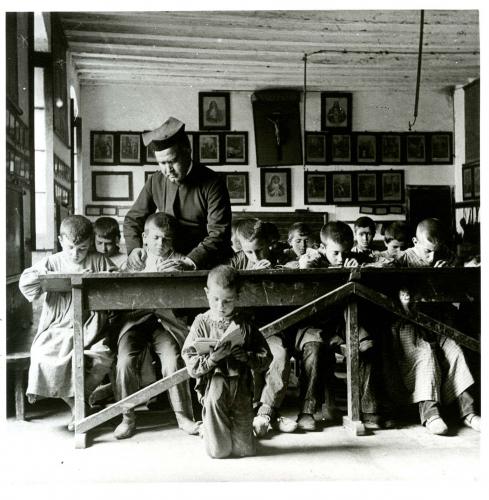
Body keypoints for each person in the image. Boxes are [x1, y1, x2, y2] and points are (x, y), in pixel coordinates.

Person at [18, 215, 116, 430]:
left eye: (82, 248)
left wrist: (105, 278)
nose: (76, 254)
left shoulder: (99, 260)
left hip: (92, 326)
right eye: (71, 247)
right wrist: (49, 275)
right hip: (58, 326)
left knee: (101, 355)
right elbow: (26, 285)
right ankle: (78, 408)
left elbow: (117, 287)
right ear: (61, 241)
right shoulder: (53, 261)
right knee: (42, 355)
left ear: (90, 242)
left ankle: (82, 403)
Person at [111, 213, 199, 439]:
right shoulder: (134, 260)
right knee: (124, 361)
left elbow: (188, 298)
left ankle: (183, 415)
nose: (161, 244)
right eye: (157, 238)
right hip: (134, 322)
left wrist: (181, 275)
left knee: (172, 360)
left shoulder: (180, 261)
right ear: (145, 238)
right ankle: (127, 416)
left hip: (165, 323)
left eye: (167, 239)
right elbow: (117, 295)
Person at [390, 218, 481, 434]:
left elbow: (461, 288)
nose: (432, 257)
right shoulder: (401, 259)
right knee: (425, 355)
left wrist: (448, 274)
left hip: (439, 320)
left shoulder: (446, 256)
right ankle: (430, 414)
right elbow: (387, 287)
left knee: (455, 351)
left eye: (436, 252)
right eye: (427, 251)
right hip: (409, 322)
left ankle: (468, 412)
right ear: (414, 241)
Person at [182, 265, 272, 458]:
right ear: (207, 293)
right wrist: (212, 359)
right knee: (219, 452)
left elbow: (266, 358)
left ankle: (246, 428)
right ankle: (209, 429)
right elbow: (190, 361)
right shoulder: (201, 323)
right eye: (215, 299)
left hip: (241, 386)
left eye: (228, 301)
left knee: (244, 451)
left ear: (238, 296)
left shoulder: (245, 324)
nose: (220, 306)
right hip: (214, 385)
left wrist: (247, 357)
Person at [124, 116, 232, 271]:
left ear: (187, 152)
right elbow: (133, 220)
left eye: (172, 161)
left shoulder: (213, 183)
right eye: (162, 163)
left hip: (205, 264)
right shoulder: (155, 181)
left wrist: (190, 262)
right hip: (168, 260)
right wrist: (134, 249)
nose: (168, 170)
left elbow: (219, 233)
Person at [228, 218, 298, 436]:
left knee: (279, 355)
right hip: (243, 329)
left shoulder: (282, 255)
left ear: (269, 242)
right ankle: (254, 413)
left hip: (273, 328)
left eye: (260, 250)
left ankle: (266, 412)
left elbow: (299, 264)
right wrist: (249, 275)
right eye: (249, 252)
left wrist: (279, 270)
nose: (255, 257)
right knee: (239, 358)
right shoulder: (236, 262)